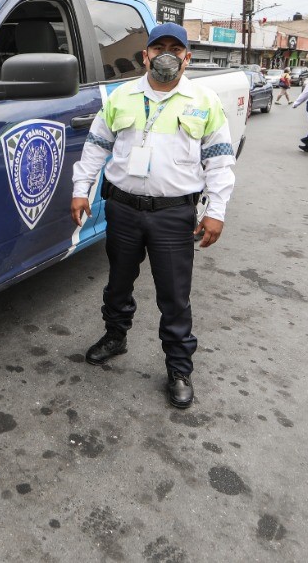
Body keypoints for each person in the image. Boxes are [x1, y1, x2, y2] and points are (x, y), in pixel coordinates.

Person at [70, 22, 237, 410]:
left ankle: (179, 368)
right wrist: (81, 190)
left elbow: (219, 161)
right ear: (145, 55)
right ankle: (115, 336)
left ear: (187, 57)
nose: (166, 55)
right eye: (158, 47)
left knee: (174, 296)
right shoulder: (121, 96)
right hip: (123, 209)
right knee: (118, 282)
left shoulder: (204, 101)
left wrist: (216, 210)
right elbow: (96, 147)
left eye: (174, 49)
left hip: (173, 215)